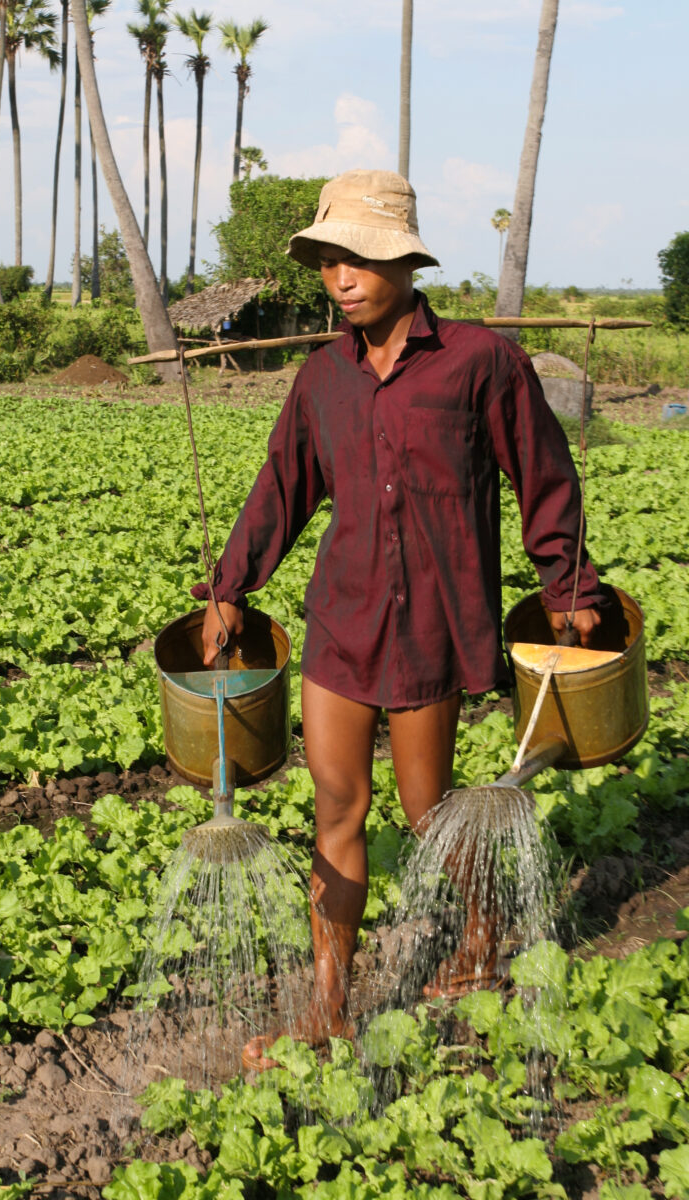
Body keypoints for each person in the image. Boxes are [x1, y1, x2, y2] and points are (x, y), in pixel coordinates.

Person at [192, 169, 602, 1070]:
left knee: (427, 813)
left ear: (408, 264)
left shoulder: (479, 362)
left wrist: (569, 590)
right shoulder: (321, 378)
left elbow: (544, 476)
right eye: (332, 258)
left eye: (364, 256)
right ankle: (328, 1008)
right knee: (336, 809)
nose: (343, 275)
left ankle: (485, 938)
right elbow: (283, 489)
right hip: (342, 619)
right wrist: (231, 584)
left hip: (432, 625)